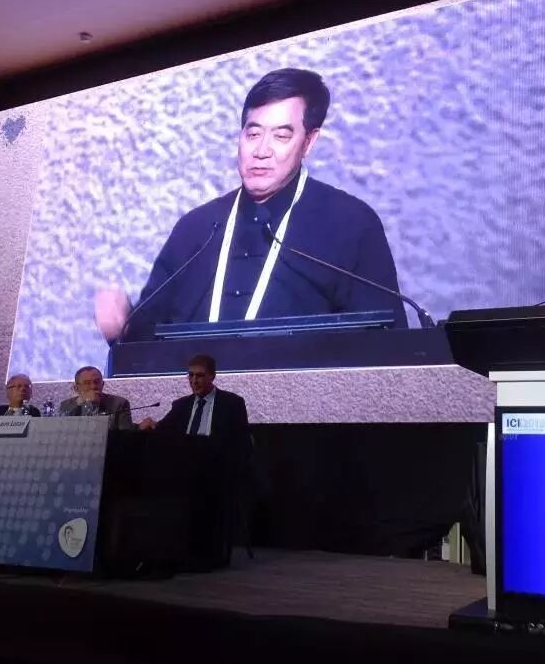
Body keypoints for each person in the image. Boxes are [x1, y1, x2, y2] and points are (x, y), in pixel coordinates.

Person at [95, 68, 407, 342]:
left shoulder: (352, 223)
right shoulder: (195, 229)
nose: (261, 150)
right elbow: (145, 344)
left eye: (281, 136)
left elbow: (387, 345)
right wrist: (122, 328)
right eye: (253, 133)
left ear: (309, 142)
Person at [139, 353, 250, 570]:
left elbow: (242, 442)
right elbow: (164, 431)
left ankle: (209, 555)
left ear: (212, 376)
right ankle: (174, 552)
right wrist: (151, 426)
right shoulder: (181, 405)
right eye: (190, 375)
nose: (194, 381)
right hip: (185, 469)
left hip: (217, 470)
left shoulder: (232, 403)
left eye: (200, 375)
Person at [58, 366, 135, 429]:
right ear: (76, 388)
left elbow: (125, 435)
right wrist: (80, 404)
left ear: (103, 384)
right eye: (87, 383)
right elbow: (62, 432)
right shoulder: (66, 405)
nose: (93, 386)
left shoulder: (120, 403)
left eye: (97, 382)